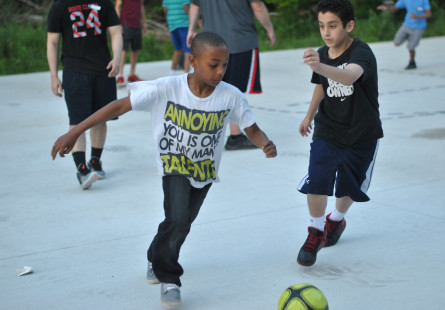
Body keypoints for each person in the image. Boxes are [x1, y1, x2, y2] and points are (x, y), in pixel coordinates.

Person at [51, 32, 277, 307]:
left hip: (203, 172)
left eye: (224, 65)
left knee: (180, 223)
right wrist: (75, 131)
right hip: (174, 167)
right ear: (193, 60)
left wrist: (264, 142)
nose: (220, 71)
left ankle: (153, 256)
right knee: (178, 219)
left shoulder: (231, 96)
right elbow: (117, 105)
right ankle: (169, 277)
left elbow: (250, 127)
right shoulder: (167, 88)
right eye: (213, 64)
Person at [296, 0, 384, 267]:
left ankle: (335, 221)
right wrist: (309, 115)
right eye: (322, 26)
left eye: (332, 26)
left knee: (347, 188)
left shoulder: (362, 52)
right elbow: (321, 86)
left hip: (361, 133)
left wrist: (319, 66)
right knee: (317, 180)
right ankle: (315, 232)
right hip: (328, 130)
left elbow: (348, 77)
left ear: (349, 25)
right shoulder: (323, 54)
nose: (326, 32)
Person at [47, 0, 123, 189]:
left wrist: (118, 58)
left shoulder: (104, 3)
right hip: (75, 71)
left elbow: (115, 32)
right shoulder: (59, 6)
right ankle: (82, 169)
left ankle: (95, 161)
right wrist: (54, 75)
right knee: (77, 121)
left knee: (101, 118)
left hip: (103, 69)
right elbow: (53, 42)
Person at [187, 0, 276, 150]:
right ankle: (235, 136)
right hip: (239, 41)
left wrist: (191, 29)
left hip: (211, 45)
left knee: (214, 89)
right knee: (234, 89)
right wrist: (269, 28)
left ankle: (199, 133)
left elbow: (195, 5)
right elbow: (257, 5)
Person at [377, 0, 431, 69]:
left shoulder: (424, 1)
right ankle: (408, 36)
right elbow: (395, 8)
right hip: (407, 24)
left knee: (411, 47)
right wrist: (388, 8)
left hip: (419, 27)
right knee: (396, 43)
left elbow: (429, 14)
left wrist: (416, 17)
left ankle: (412, 62)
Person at [115, 0, 147, 86]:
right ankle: (119, 75)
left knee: (136, 49)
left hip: (137, 24)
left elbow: (141, 6)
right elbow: (118, 6)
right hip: (126, 23)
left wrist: (144, 23)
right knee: (124, 50)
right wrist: (118, 23)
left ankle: (132, 74)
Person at [162, 0, 191, 76]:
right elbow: (185, 7)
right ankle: (186, 74)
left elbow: (165, 9)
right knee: (187, 50)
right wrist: (196, 19)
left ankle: (172, 72)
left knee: (177, 49)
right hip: (183, 24)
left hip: (172, 25)